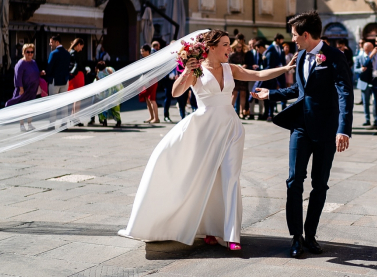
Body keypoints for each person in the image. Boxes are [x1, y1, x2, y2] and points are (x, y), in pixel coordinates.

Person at [119, 29, 296, 251]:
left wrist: (287, 68)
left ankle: (231, 235)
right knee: (207, 179)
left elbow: (258, 75)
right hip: (204, 129)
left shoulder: (230, 69)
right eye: (225, 44)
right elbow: (175, 93)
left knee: (231, 178)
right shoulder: (197, 70)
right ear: (211, 48)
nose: (229, 49)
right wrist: (186, 73)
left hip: (232, 128)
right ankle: (210, 230)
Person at [253, 11, 353, 259]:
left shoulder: (334, 57)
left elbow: (345, 94)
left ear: (306, 34)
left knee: (319, 185)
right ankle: (296, 236)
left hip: (326, 130)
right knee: (293, 180)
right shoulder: (299, 58)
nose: (293, 40)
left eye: (295, 35)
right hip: (300, 127)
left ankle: (311, 234)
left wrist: (343, 129)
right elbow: (299, 89)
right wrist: (271, 95)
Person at [6, 43, 41, 131]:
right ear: (23, 52)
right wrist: (20, 88)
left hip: (32, 89)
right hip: (24, 88)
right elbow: (17, 77)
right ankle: (22, 125)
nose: (30, 54)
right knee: (22, 107)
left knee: (30, 107)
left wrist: (41, 73)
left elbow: (35, 72)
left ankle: (29, 123)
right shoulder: (21, 63)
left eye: (31, 52)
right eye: (27, 52)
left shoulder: (33, 62)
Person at [259, 33, 285, 120]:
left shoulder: (281, 48)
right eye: (281, 39)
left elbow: (282, 59)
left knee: (283, 89)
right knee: (271, 92)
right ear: (277, 39)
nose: (282, 41)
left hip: (281, 71)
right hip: (273, 73)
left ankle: (283, 108)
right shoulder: (270, 49)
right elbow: (269, 63)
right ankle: (270, 113)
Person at [138, 44, 160, 124]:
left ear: (148, 51)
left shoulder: (152, 59)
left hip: (152, 81)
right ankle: (151, 116)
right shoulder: (143, 59)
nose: (142, 53)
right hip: (146, 81)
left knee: (152, 99)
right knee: (147, 99)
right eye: (141, 51)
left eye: (143, 51)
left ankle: (156, 118)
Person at [94, 63, 121, 127]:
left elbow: (112, 77)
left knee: (109, 106)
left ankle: (109, 121)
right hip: (107, 91)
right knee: (108, 106)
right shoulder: (102, 71)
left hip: (110, 90)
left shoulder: (107, 70)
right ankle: (111, 121)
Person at [355, 41, 375, 126]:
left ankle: (376, 120)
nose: (368, 50)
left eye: (370, 48)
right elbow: (355, 70)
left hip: (374, 82)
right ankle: (367, 119)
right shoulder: (359, 57)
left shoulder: (374, 56)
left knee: (375, 103)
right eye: (367, 48)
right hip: (363, 82)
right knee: (366, 103)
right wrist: (361, 70)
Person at [228, 38, 249, 117]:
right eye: (238, 47)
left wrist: (245, 65)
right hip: (235, 76)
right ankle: (230, 110)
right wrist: (237, 67)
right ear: (235, 47)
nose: (239, 49)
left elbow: (247, 63)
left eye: (240, 47)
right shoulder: (232, 55)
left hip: (243, 75)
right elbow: (229, 64)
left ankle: (241, 112)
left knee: (243, 94)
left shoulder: (244, 54)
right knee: (234, 94)